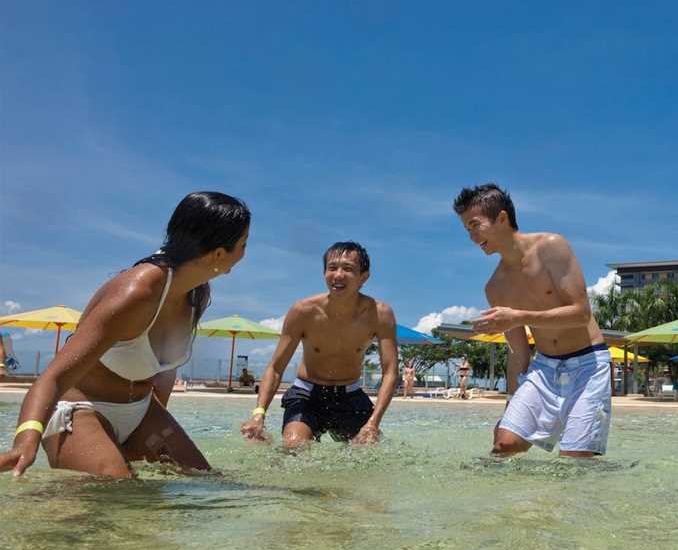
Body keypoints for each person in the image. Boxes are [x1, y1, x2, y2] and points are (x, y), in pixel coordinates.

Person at [0, 192, 251, 478]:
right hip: (80, 411)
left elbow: (164, 368)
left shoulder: (196, 294)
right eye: (243, 244)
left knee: (210, 485)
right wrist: (26, 439)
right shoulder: (137, 294)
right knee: (119, 497)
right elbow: (53, 378)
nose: (244, 253)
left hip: (141, 411)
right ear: (218, 254)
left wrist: (155, 429)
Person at [453, 183, 611, 458]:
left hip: (588, 363)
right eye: (467, 229)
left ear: (502, 218)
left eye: (475, 225)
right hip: (544, 367)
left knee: (575, 461)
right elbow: (518, 353)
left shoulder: (551, 247)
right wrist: (510, 406)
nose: (471, 236)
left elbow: (581, 313)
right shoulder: (495, 287)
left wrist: (519, 316)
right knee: (503, 445)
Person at [240, 242, 398, 449]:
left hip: (350, 394)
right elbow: (276, 367)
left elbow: (390, 372)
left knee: (367, 451)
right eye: (332, 268)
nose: (338, 275)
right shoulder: (303, 311)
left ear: (363, 277)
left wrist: (373, 424)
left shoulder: (380, 314)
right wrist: (258, 414)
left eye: (348, 269)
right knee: (293, 447)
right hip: (307, 394)